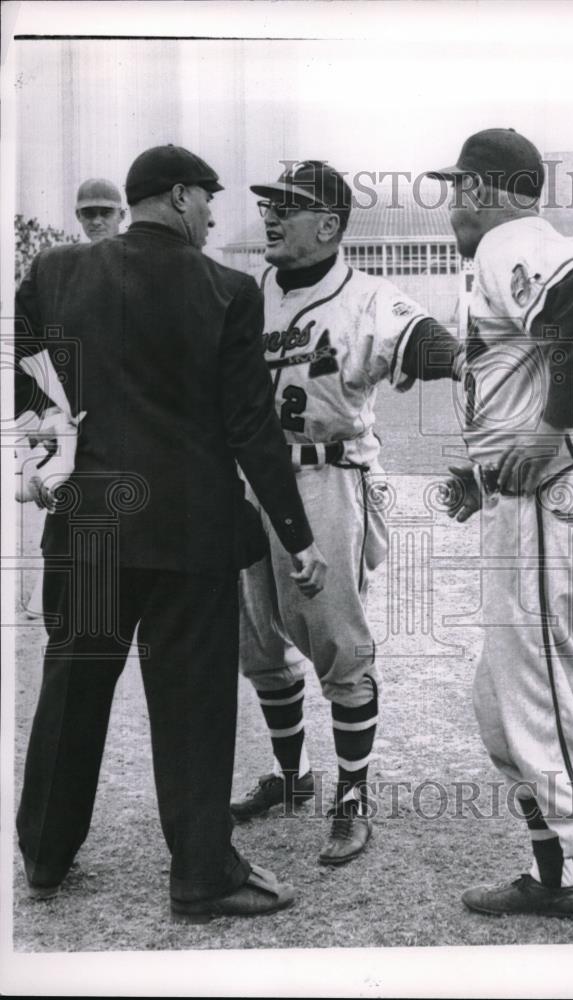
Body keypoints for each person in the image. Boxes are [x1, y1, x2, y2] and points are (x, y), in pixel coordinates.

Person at [15, 143, 327, 923]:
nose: (215, 217)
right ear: (182, 197)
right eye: (209, 201)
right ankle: (201, 874)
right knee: (191, 705)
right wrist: (297, 535)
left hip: (90, 521)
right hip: (191, 529)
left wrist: (48, 421)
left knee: (72, 687)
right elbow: (252, 428)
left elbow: (9, 352)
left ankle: (44, 857)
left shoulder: (57, 271)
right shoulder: (226, 290)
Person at [232, 160, 461, 866]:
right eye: (268, 204)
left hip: (326, 479)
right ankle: (293, 777)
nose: (270, 216)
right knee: (257, 642)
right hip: (244, 482)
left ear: (328, 225)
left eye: (288, 207)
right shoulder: (247, 293)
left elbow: (428, 343)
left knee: (338, 643)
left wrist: (466, 360)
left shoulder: (366, 296)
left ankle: (353, 796)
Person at [430, 129, 573, 941]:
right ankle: (549, 879)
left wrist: (553, 431)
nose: (454, 202)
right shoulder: (502, 254)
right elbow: (521, 374)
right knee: (501, 707)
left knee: (549, 709)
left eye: (461, 186)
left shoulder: (512, 241)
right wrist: (484, 466)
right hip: (523, 501)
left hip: (550, 504)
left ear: (490, 189)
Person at [22, 178, 127, 621]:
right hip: (77, 436)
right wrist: (42, 412)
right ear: (78, 217)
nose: (97, 219)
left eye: (106, 211)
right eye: (89, 212)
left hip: (136, 436)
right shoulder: (56, 272)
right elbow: (17, 352)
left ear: (123, 216)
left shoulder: (144, 270)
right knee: (66, 602)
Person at [74, 177, 126, 242]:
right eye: (89, 213)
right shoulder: (78, 252)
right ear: (78, 216)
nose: (96, 222)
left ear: (121, 215)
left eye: (106, 213)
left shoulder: (134, 251)